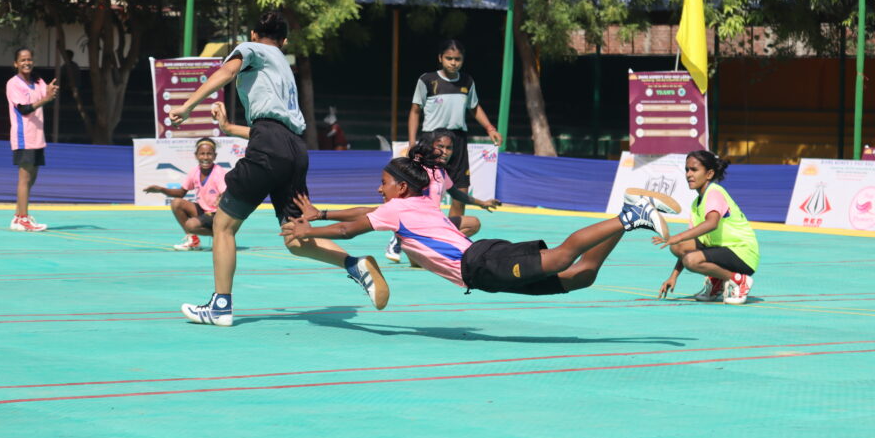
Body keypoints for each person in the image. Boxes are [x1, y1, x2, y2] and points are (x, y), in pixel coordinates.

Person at [168, 12, 388, 327]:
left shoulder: (251, 49)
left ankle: (220, 306)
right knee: (295, 236)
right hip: (295, 149)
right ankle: (355, 264)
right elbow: (273, 127)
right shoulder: (284, 67)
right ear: (284, 42)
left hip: (269, 147)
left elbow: (227, 71)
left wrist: (189, 105)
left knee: (223, 226)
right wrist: (230, 127)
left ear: (254, 34)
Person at [281, 148, 677, 297]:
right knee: (581, 276)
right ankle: (627, 214)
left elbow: (353, 228)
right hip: (484, 270)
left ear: (401, 187)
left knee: (559, 258)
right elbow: (363, 214)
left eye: (383, 183)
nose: (378, 188)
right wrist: (323, 213)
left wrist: (307, 229)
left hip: (479, 264)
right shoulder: (416, 201)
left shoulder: (397, 208)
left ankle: (630, 216)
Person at [408, 39, 503, 222]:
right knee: (423, 190)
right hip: (432, 140)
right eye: (449, 58)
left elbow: (474, 107)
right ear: (440, 58)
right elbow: (415, 110)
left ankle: (450, 235)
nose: (453, 62)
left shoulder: (467, 81)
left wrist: (490, 128)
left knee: (461, 189)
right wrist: (412, 142)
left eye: (457, 59)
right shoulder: (427, 80)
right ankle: (411, 229)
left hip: (457, 140)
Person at [654, 150, 759, 305]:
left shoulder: (714, 193)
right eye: (687, 169)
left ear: (709, 174)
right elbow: (686, 247)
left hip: (742, 253)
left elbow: (712, 223)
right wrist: (673, 276)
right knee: (678, 246)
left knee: (691, 260)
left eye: (694, 170)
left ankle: (740, 281)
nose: (689, 174)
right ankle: (717, 281)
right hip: (722, 250)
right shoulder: (696, 203)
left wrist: (678, 236)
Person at [385, 128, 501, 262]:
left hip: (434, 225)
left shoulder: (441, 172)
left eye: (449, 148)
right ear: (430, 147)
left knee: (473, 223)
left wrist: (483, 203)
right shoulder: (420, 169)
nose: (445, 152)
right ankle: (400, 239)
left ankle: (435, 249)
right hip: (416, 226)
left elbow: (457, 194)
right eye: (440, 146)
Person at [6, 47, 59, 232]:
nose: (26, 62)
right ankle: (22, 219)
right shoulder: (14, 84)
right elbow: (24, 109)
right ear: (16, 64)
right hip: (23, 137)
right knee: (25, 177)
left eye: (29, 59)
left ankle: (18, 215)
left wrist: (50, 91)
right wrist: (46, 100)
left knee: (32, 176)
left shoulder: (38, 81)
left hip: (38, 137)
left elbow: (47, 93)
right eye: (22, 60)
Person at [142, 137, 227, 251]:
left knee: (190, 225)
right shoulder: (194, 171)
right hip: (203, 210)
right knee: (176, 203)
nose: (205, 157)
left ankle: (220, 235)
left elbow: (226, 193)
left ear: (215, 156)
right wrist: (160, 189)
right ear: (196, 155)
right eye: (202, 154)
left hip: (218, 214)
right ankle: (193, 241)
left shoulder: (219, 172)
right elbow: (181, 193)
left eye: (209, 154)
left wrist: (221, 198)